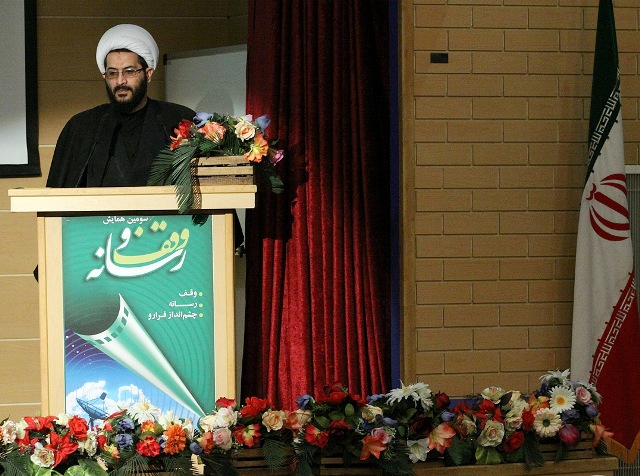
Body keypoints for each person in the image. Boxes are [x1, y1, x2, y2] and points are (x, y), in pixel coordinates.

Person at [47, 24, 195, 188]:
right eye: (112, 73)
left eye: (129, 71)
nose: (120, 81)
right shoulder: (81, 128)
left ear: (148, 74)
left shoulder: (177, 120)